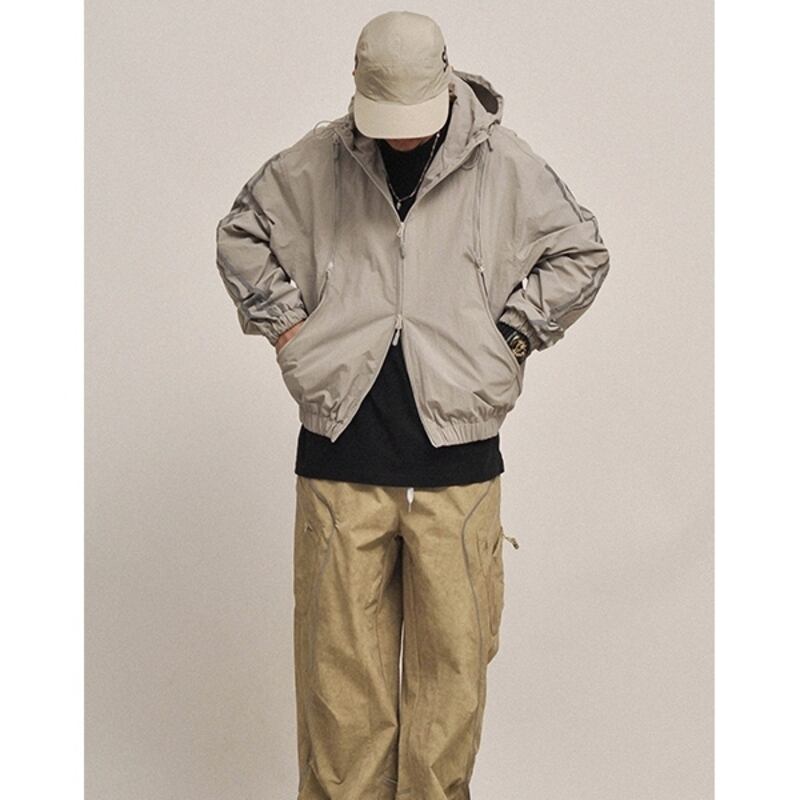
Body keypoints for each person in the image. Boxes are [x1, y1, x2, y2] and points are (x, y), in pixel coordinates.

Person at [216, 10, 610, 798]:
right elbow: (242, 234)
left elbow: (580, 251)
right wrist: (293, 333)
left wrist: (510, 338)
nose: (398, 136)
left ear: (447, 81)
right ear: (356, 88)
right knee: (341, 704)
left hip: (457, 470)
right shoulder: (321, 160)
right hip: (340, 462)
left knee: (449, 699)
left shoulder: (504, 164)